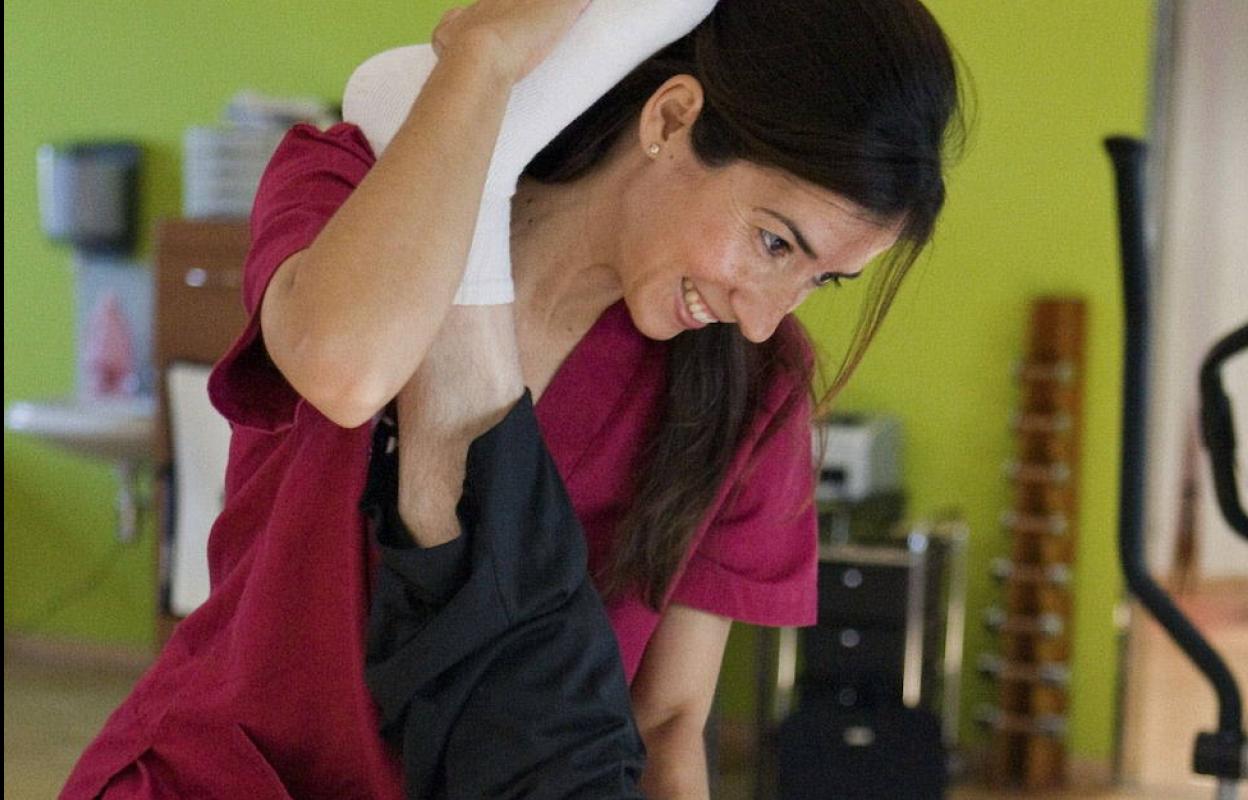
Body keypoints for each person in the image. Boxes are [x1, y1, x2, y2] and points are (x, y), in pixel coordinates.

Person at [61, 0, 962, 797]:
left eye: (819, 280)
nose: (764, 318)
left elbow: (668, 723)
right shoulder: (355, 183)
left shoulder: (755, 389)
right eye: (773, 244)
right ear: (671, 116)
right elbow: (347, 369)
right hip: (213, 773)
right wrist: (484, 60)